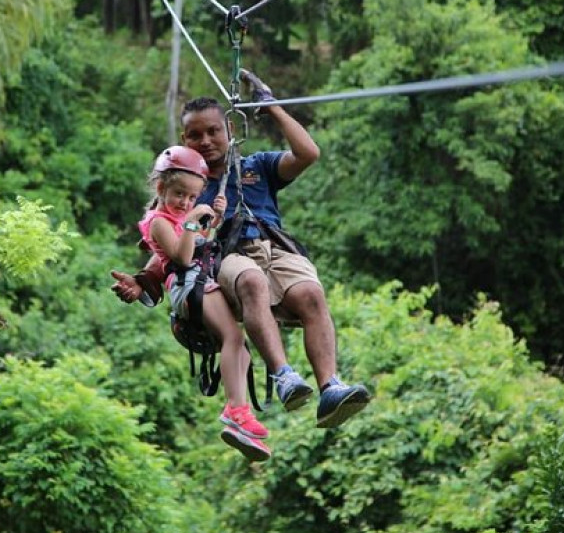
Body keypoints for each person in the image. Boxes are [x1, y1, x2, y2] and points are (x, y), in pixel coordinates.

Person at [112, 70, 371, 428]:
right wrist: (145, 280)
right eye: (195, 135)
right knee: (251, 281)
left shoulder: (258, 167)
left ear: (230, 131)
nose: (205, 140)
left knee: (311, 292)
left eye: (213, 131)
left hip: (273, 247)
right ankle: (283, 375)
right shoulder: (187, 190)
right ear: (184, 141)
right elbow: (171, 244)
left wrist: (273, 108)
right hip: (225, 256)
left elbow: (308, 153)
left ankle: (330, 387)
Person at [140, 145, 272, 461]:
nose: (185, 202)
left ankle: (240, 414)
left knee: (239, 344)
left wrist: (212, 219)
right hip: (188, 285)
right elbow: (182, 257)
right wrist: (191, 221)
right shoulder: (159, 220)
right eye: (179, 195)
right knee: (232, 337)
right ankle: (235, 410)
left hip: (200, 282)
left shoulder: (183, 215)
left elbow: (203, 242)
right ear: (161, 188)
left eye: (191, 197)